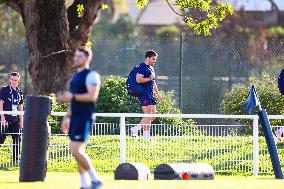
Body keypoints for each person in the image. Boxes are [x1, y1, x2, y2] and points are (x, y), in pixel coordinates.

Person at [58, 46, 102, 189]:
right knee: (77, 151)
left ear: (87, 58)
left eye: (80, 56)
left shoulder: (92, 75)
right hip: (75, 117)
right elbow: (73, 100)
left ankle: (95, 179)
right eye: (75, 56)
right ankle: (84, 184)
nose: (76, 58)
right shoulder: (75, 76)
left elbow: (92, 96)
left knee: (76, 150)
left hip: (85, 117)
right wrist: (67, 117)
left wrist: (72, 96)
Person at [130, 50, 162, 141]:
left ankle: (136, 128)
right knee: (148, 115)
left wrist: (158, 95)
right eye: (153, 59)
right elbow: (138, 79)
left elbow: (153, 82)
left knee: (153, 116)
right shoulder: (141, 67)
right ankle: (146, 137)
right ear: (148, 57)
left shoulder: (151, 68)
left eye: (155, 59)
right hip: (143, 94)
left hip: (150, 95)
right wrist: (149, 78)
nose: (154, 61)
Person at [0, 72, 24, 163]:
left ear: (18, 80)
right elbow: (0, 104)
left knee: (17, 138)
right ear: (10, 79)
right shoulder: (4, 90)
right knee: (1, 138)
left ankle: (15, 160)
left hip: (15, 120)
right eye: (12, 80)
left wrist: (21, 120)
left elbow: (20, 106)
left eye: (16, 80)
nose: (14, 82)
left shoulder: (19, 92)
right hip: (5, 119)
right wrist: (2, 118)